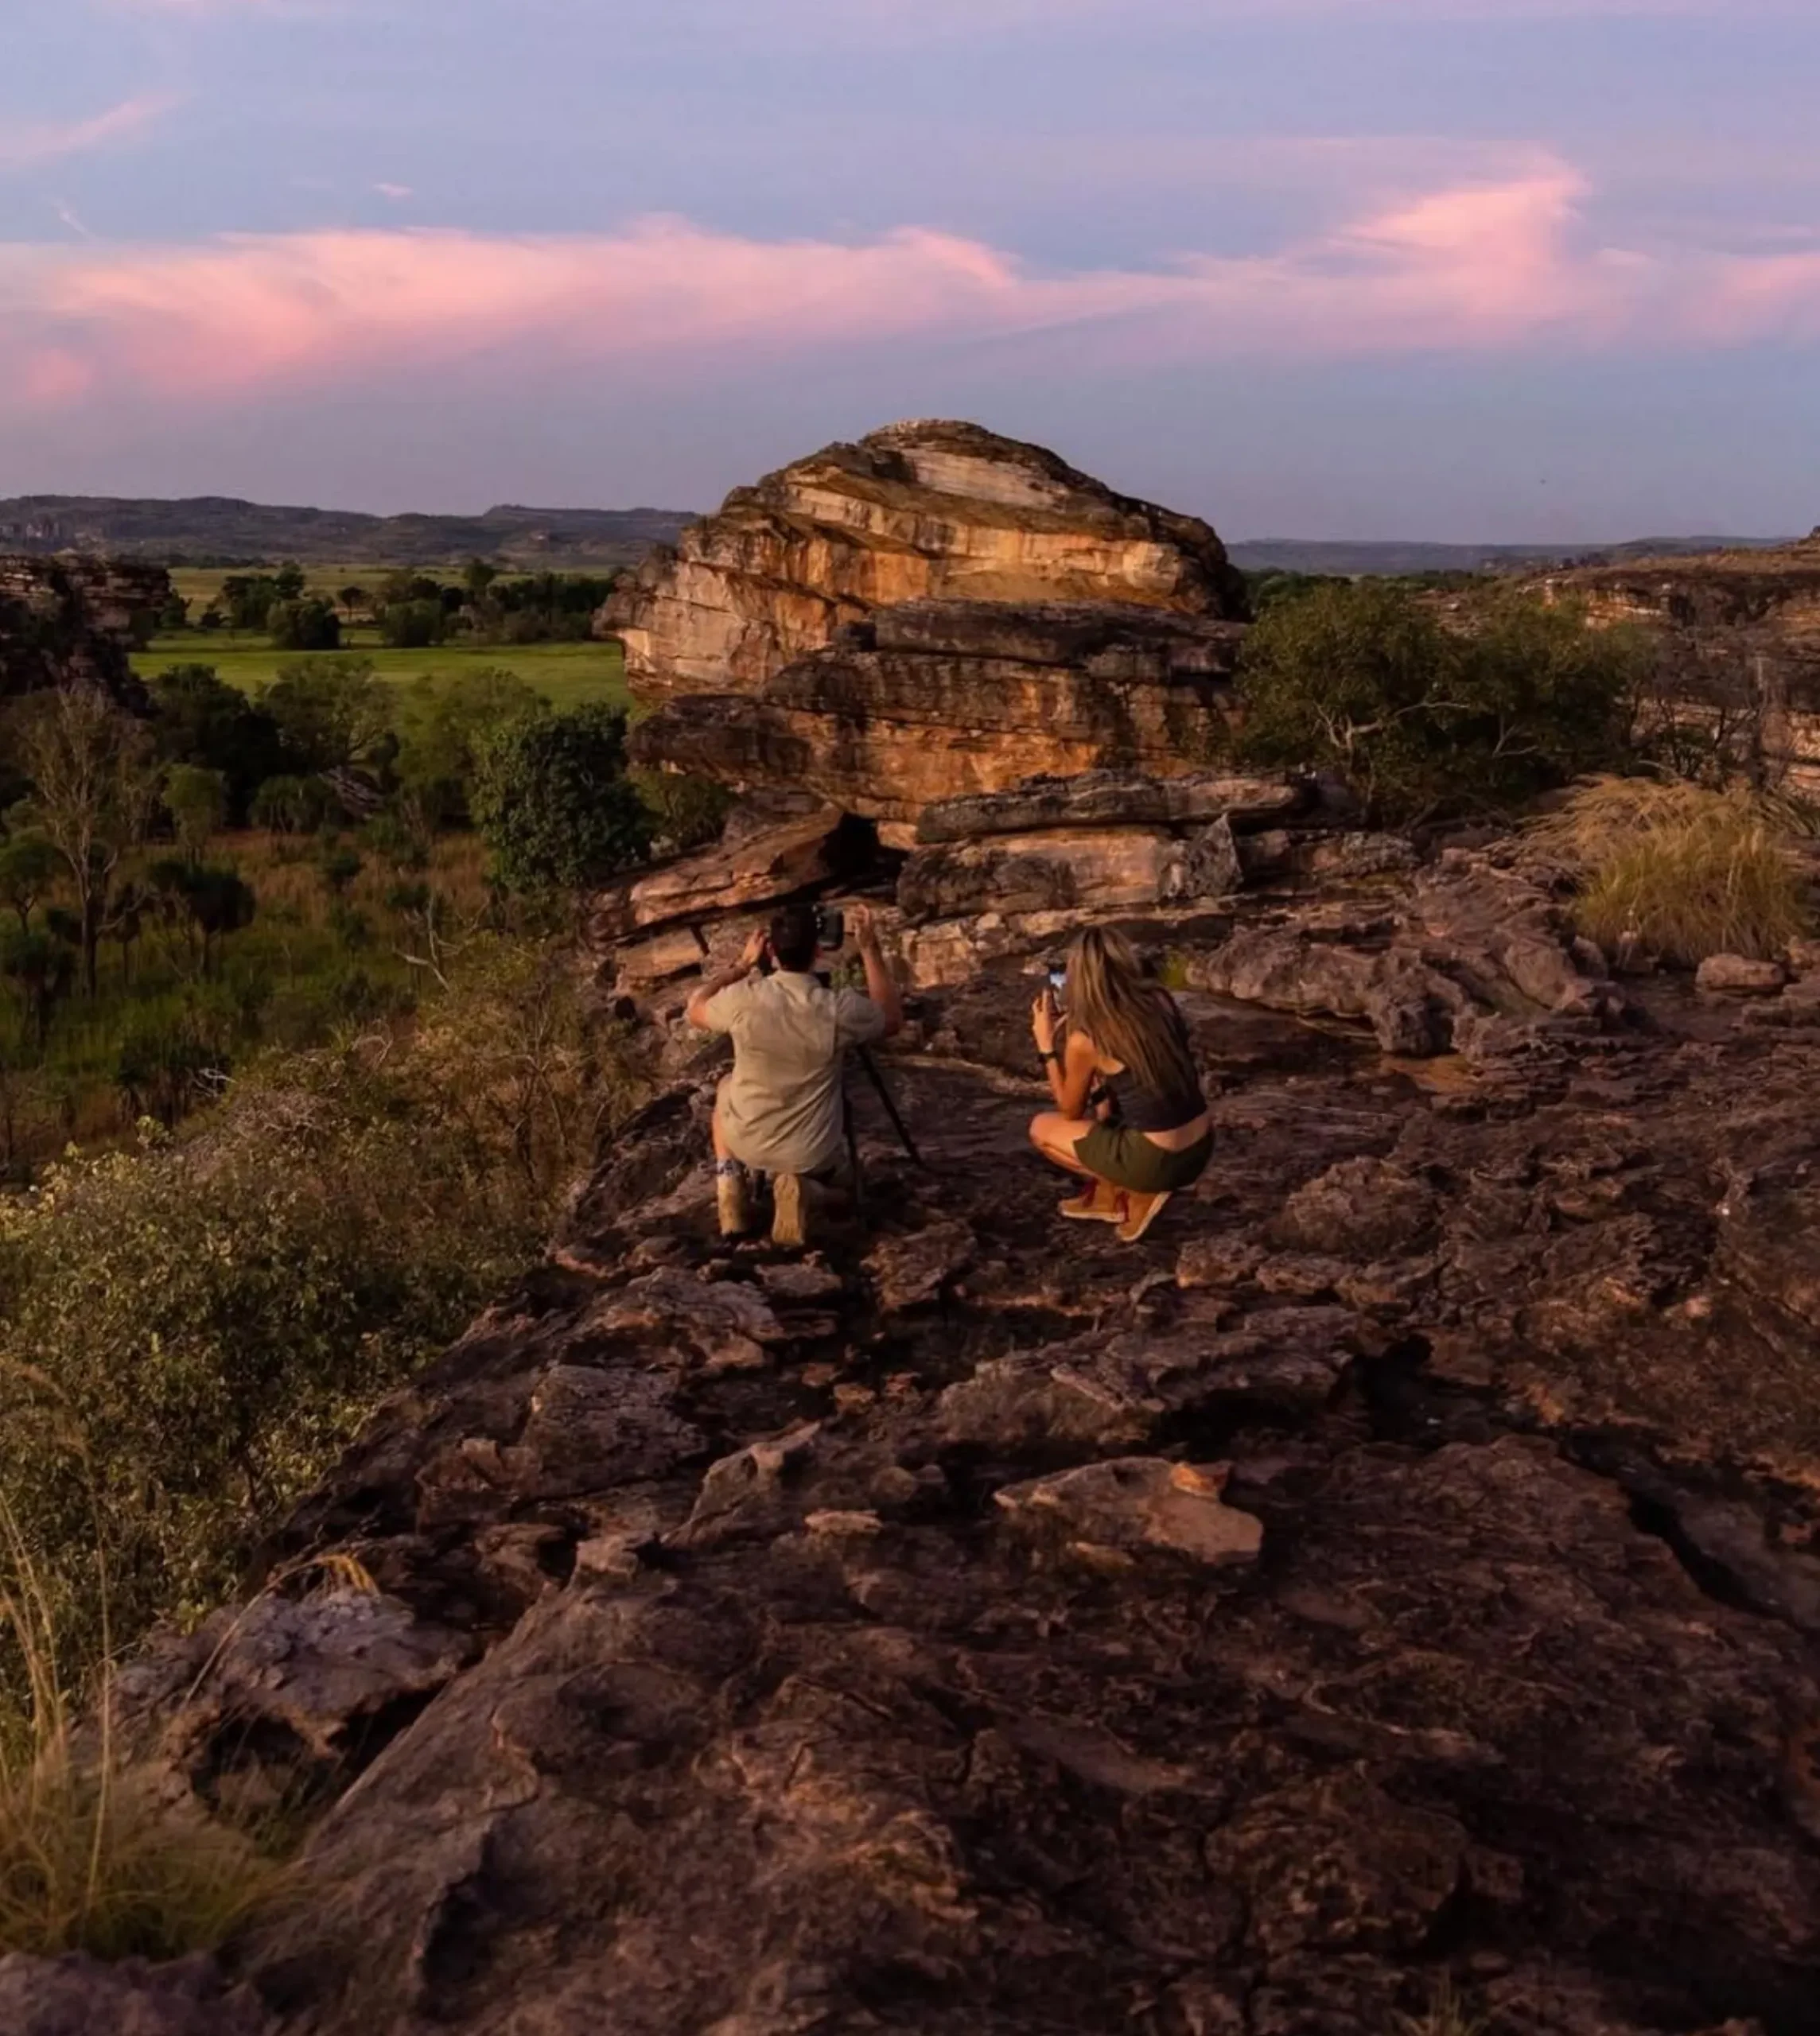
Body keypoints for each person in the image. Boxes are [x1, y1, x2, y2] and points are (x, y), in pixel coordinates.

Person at [687, 900, 904, 1246]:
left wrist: (743, 965)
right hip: (813, 1153)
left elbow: (695, 1006)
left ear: (770, 949)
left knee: (725, 1088)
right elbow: (891, 1018)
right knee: (847, 1192)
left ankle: (731, 1195)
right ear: (819, 950)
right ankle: (811, 1193)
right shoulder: (837, 1009)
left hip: (747, 1143)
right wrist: (869, 949)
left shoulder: (744, 1000)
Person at [1028, 926, 1212, 1244]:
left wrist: (1046, 1047)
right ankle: (1110, 1193)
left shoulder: (1086, 1039)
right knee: (1106, 1111)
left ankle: (1136, 1192)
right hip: (1201, 1146)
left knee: (1041, 1129)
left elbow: (1069, 1111)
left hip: (1157, 1161)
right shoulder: (1160, 1000)